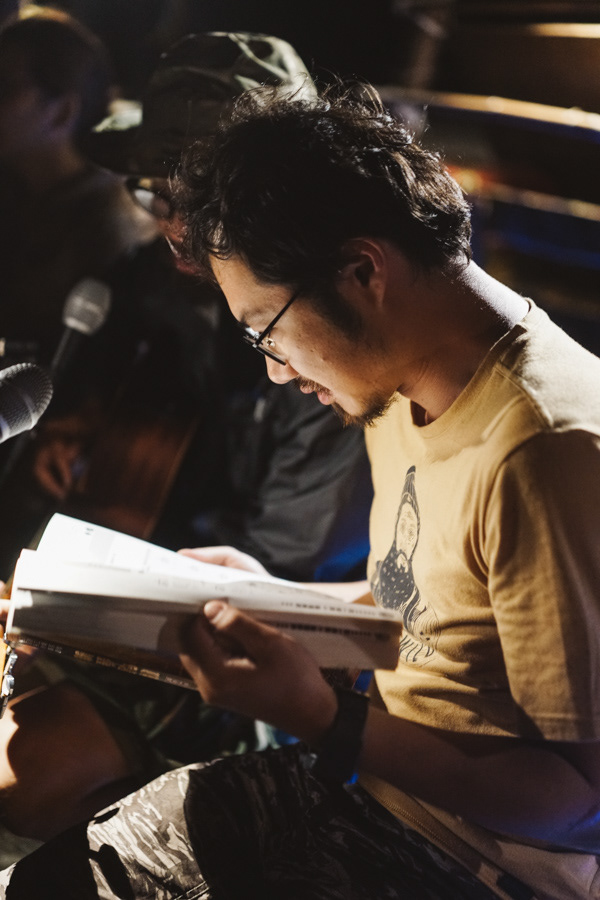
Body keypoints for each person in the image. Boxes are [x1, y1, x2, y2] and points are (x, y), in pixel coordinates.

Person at [3, 80, 600, 900]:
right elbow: (445, 605)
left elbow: (579, 807)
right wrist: (269, 598)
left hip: (468, 862)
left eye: (267, 332)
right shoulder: (403, 374)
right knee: (50, 882)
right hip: (367, 788)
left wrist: (323, 716)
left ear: (362, 271)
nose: (277, 372)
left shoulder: (548, 450)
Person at [0, 34, 373, 857]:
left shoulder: (319, 347)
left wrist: (87, 614)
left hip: (243, 659)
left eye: (192, 197)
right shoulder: (142, 284)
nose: (169, 221)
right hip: (108, 608)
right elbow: (69, 440)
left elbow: (286, 589)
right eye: (152, 191)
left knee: (23, 780)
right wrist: (67, 451)